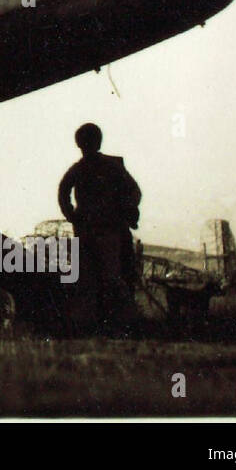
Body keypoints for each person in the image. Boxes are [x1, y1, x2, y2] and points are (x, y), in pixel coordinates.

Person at [57, 122, 142, 333]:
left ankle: (95, 323)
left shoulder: (78, 169)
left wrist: (72, 215)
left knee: (90, 280)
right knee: (110, 278)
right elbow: (134, 192)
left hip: (90, 231)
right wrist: (125, 211)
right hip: (107, 231)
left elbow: (63, 192)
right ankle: (117, 322)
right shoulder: (112, 167)